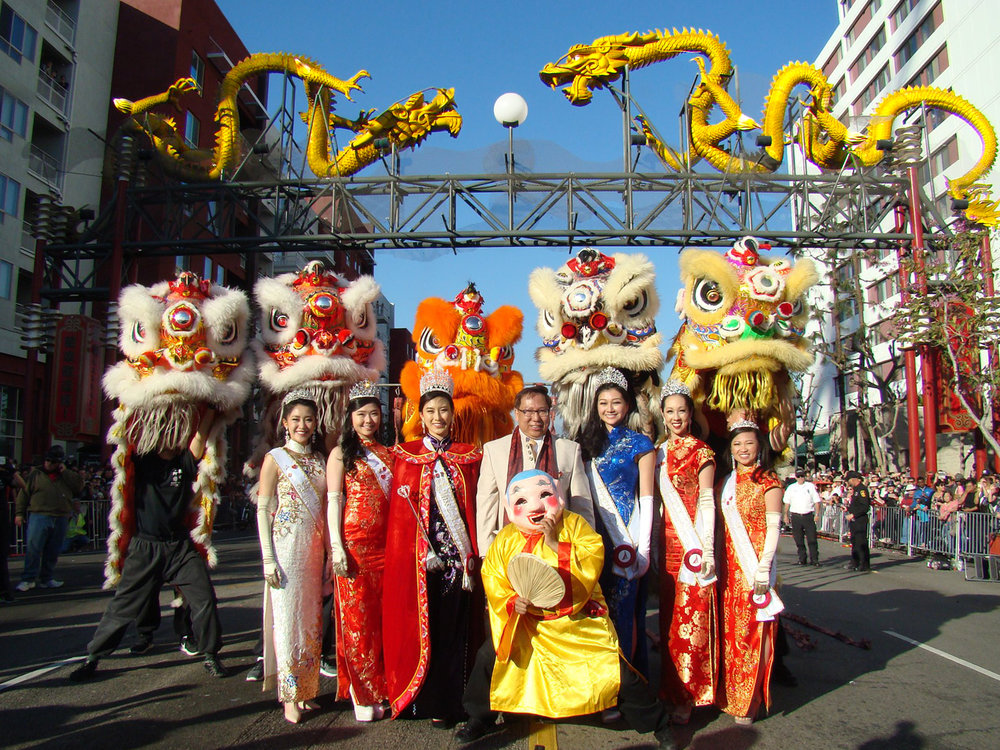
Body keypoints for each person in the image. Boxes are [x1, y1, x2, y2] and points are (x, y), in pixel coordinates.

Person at [456, 469, 676, 749]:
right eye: (522, 500)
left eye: (544, 495)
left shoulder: (575, 525)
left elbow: (591, 563)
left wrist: (554, 544)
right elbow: (494, 578)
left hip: (575, 621)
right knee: (491, 654)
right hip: (528, 625)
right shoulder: (507, 538)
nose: (535, 506)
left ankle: (659, 724)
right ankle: (479, 717)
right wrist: (513, 601)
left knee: (613, 670)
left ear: (557, 496)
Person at [69, 409, 226, 681]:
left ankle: (211, 654)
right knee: (123, 606)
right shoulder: (142, 460)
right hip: (145, 547)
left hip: (180, 548)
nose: (172, 437)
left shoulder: (185, 461)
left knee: (204, 600)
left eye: (178, 432)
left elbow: (200, 436)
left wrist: (212, 406)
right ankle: (93, 657)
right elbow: (135, 426)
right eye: (168, 431)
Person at [382, 369, 482, 725]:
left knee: (454, 630)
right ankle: (421, 697)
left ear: (452, 415)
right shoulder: (405, 457)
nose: (438, 418)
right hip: (419, 563)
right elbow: (397, 519)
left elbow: (476, 509)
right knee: (424, 629)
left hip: (458, 563)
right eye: (431, 412)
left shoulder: (468, 456)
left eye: (444, 410)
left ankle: (451, 700)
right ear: (420, 417)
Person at [578, 367, 655, 683]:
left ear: (628, 405)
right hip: (593, 539)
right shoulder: (582, 442)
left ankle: (627, 683)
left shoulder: (641, 444)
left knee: (623, 612)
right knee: (593, 612)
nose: (610, 409)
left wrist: (644, 548)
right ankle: (597, 684)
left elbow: (647, 498)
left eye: (616, 402)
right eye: (603, 403)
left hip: (626, 538)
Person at [256, 392, 328, 724]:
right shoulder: (275, 458)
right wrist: (268, 558)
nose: (302, 425)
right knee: (287, 622)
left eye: (308, 419)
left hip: (313, 552)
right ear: (285, 422)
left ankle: (306, 690)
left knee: (311, 623)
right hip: (285, 551)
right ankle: (288, 696)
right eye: (296, 419)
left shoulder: (320, 460)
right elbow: (264, 509)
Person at [326, 381, 392, 721]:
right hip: (354, 546)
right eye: (361, 414)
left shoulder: (387, 453)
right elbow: (334, 500)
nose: (368, 420)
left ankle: (381, 686)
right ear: (350, 417)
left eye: (374, 414)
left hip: (385, 547)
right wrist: (336, 546)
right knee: (357, 621)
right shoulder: (341, 453)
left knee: (381, 621)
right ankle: (361, 692)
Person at [654, 380, 717, 723]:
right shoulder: (658, 452)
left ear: (691, 414)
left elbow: (707, 501)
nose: (676, 417)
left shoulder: (702, 452)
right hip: (668, 548)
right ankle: (669, 688)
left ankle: (689, 696)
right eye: (670, 411)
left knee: (692, 623)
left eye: (682, 410)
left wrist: (705, 548)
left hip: (694, 542)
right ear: (662, 415)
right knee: (669, 623)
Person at [717, 419, 784, 725]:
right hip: (730, 568)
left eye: (749, 443)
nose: (743, 449)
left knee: (755, 634)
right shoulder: (726, 483)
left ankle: (750, 700)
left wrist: (764, 568)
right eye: (737, 444)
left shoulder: (769, 481)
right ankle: (732, 694)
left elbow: (774, 528)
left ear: (760, 447)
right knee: (733, 635)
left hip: (755, 566)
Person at [476, 385, 595, 552]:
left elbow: (582, 504)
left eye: (542, 411)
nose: (536, 418)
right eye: (528, 412)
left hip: (557, 546)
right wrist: (486, 552)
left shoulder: (568, 449)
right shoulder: (495, 450)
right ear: (516, 413)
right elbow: (486, 505)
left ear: (550, 413)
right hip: (508, 548)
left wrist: (585, 549)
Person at [15, 445, 84, 591]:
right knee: (34, 549)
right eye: (47, 460)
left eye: (53, 462)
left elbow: (78, 486)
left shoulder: (67, 476)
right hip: (39, 514)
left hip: (60, 516)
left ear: (60, 463)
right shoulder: (36, 474)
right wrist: (19, 513)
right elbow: (24, 494)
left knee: (53, 550)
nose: (49, 464)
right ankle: (28, 578)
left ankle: (47, 578)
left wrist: (65, 472)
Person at [783, 470, 822, 566]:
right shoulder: (791, 488)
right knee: (798, 539)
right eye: (799, 476)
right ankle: (802, 558)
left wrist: (817, 514)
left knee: (812, 539)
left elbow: (817, 501)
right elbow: (787, 503)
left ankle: (814, 559)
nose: (801, 478)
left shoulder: (810, 486)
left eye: (802, 476)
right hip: (796, 515)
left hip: (808, 515)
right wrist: (785, 515)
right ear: (796, 477)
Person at [844, 470, 872, 572]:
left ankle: (864, 564)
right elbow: (856, 505)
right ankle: (855, 561)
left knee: (861, 542)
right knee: (854, 542)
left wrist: (854, 514)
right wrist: (848, 509)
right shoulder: (855, 490)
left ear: (853, 479)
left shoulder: (862, 490)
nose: (848, 483)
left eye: (849, 480)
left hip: (860, 519)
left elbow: (864, 507)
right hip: (854, 520)